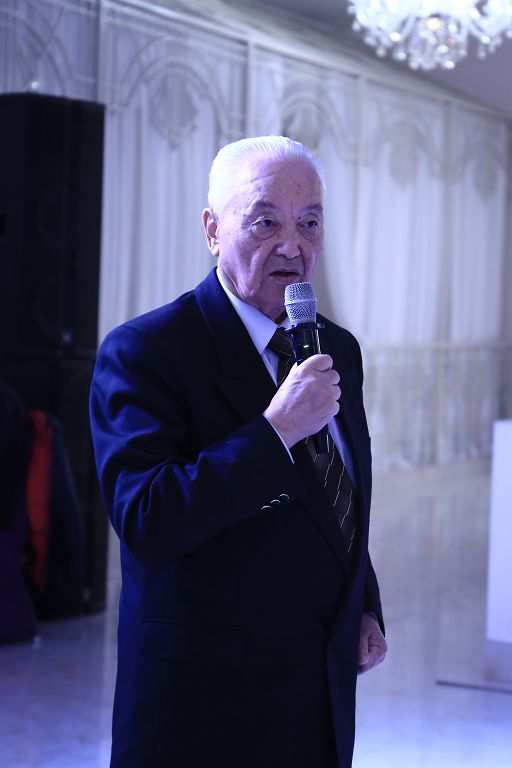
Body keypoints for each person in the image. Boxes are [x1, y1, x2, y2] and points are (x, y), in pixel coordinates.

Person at [90, 135, 387, 768]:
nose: (292, 246)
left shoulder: (337, 347)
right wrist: (275, 431)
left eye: (310, 223)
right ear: (212, 230)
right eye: (265, 222)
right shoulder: (145, 351)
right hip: (204, 704)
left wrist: (362, 602)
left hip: (318, 694)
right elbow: (147, 518)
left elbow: (336, 492)